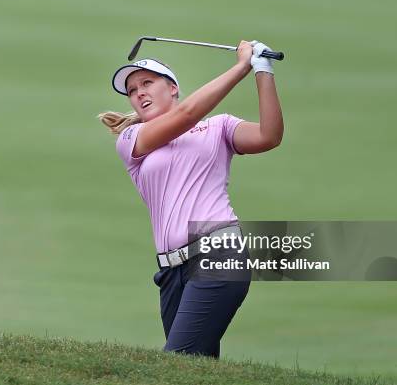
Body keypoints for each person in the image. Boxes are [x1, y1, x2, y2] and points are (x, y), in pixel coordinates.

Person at [98, 40, 283, 358]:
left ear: (172, 88)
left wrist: (261, 71)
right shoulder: (131, 140)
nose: (139, 93)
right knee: (195, 368)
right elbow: (185, 115)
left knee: (177, 362)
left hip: (218, 253)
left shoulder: (218, 127)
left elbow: (269, 136)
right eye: (131, 90)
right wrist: (239, 67)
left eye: (147, 83)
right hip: (170, 273)